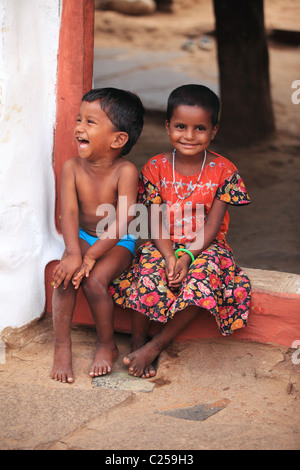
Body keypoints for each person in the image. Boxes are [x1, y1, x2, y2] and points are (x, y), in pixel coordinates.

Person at [110, 84, 251, 378]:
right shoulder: (155, 168)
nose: (189, 135)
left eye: (200, 128)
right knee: (148, 271)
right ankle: (137, 340)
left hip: (206, 246)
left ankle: (155, 345)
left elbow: (213, 225)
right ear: (167, 126)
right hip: (164, 241)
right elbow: (155, 220)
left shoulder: (224, 171)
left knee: (202, 281)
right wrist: (169, 256)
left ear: (214, 131)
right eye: (180, 126)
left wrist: (187, 256)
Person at [50, 87, 145, 383]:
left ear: (118, 139)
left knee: (93, 280)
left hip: (118, 240)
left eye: (90, 122)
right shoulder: (72, 167)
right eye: (79, 119)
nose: (79, 126)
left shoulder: (125, 171)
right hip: (81, 235)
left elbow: (127, 218)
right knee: (65, 276)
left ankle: (107, 343)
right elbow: (70, 213)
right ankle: (61, 347)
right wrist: (74, 252)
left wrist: (91, 255)